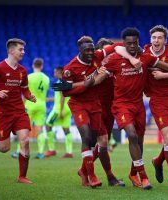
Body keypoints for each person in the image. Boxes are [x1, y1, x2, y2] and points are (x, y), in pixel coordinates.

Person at [102, 27, 168, 190]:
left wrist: (163, 74)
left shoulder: (164, 53)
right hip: (156, 102)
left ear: (165, 40)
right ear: (149, 40)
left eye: (160, 38)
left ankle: (157, 162)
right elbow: (116, 47)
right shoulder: (142, 51)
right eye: (154, 37)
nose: (156, 40)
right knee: (165, 139)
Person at [53, 36, 125, 188]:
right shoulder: (72, 68)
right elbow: (64, 90)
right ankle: (96, 175)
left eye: (93, 50)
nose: (91, 53)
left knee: (101, 143)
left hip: (102, 107)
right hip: (82, 104)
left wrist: (135, 48)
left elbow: (118, 46)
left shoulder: (110, 62)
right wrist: (87, 82)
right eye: (88, 50)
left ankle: (85, 171)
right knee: (88, 137)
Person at [0, 38, 36, 184]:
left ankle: (22, 176)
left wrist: (29, 96)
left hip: (19, 111)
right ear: (11, 51)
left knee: (25, 141)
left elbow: (25, 90)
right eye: (20, 49)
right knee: (4, 148)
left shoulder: (22, 71)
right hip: (2, 113)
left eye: (23, 49)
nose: (23, 52)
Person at [44, 66, 73, 158]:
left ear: (59, 72)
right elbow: (60, 97)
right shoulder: (66, 82)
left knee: (48, 125)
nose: (54, 74)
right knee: (66, 129)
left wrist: (60, 111)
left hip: (58, 110)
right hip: (67, 109)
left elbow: (62, 97)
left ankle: (51, 150)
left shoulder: (60, 82)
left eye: (55, 72)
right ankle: (69, 152)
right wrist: (49, 99)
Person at [24, 58, 50, 159]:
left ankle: (20, 151)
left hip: (30, 104)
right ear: (42, 66)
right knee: (40, 129)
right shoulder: (46, 78)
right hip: (41, 105)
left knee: (24, 128)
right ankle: (41, 152)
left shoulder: (29, 77)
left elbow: (25, 93)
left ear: (33, 65)